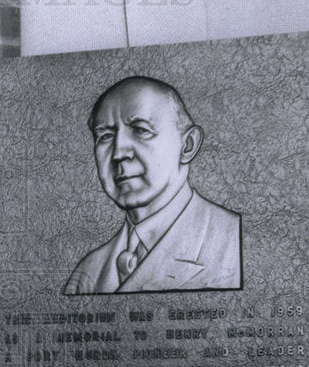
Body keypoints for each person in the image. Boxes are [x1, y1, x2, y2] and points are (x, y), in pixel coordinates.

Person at [63, 75, 241, 294]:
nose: (119, 153)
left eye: (140, 130)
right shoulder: (88, 273)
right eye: (106, 136)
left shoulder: (236, 242)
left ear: (187, 145)